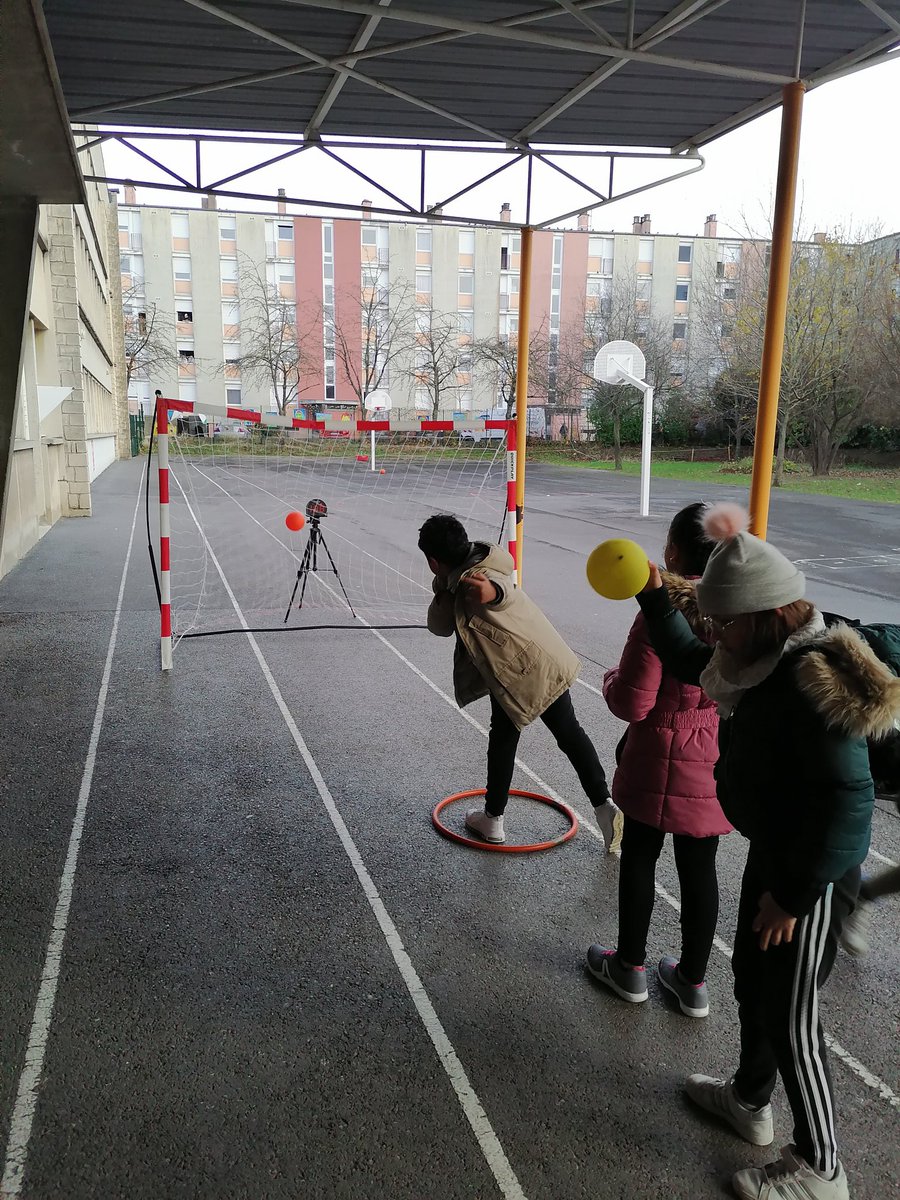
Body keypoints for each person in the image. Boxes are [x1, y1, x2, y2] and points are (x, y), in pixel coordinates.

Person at [634, 502, 900, 1200]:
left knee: (791, 1013)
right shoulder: (757, 650)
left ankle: (823, 1168)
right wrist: (654, 598)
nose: (715, 633)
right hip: (778, 846)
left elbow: (848, 808)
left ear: (763, 614)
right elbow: (696, 661)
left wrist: (795, 893)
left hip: (809, 869)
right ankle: (750, 1100)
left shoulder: (813, 685)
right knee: (753, 980)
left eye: (724, 622)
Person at [586, 503, 732, 1019]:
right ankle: (693, 983)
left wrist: (608, 679)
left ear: (672, 550)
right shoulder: (740, 605)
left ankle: (630, 969)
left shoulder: (660, 608)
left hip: (654, 754)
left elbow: (633, 702)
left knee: (640, 859)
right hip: (714, 756)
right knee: (700, 871)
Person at [418, 514, 621, 850]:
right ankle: (604, 806)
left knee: (504, 739)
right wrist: (446, 584)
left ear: (433, 560)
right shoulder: (484, 560)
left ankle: (494, 819)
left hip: (517, 669)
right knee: (567, 734)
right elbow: (470, 603)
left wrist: (488, 592)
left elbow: (500, 593)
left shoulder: (475, 582)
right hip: (540, 658)